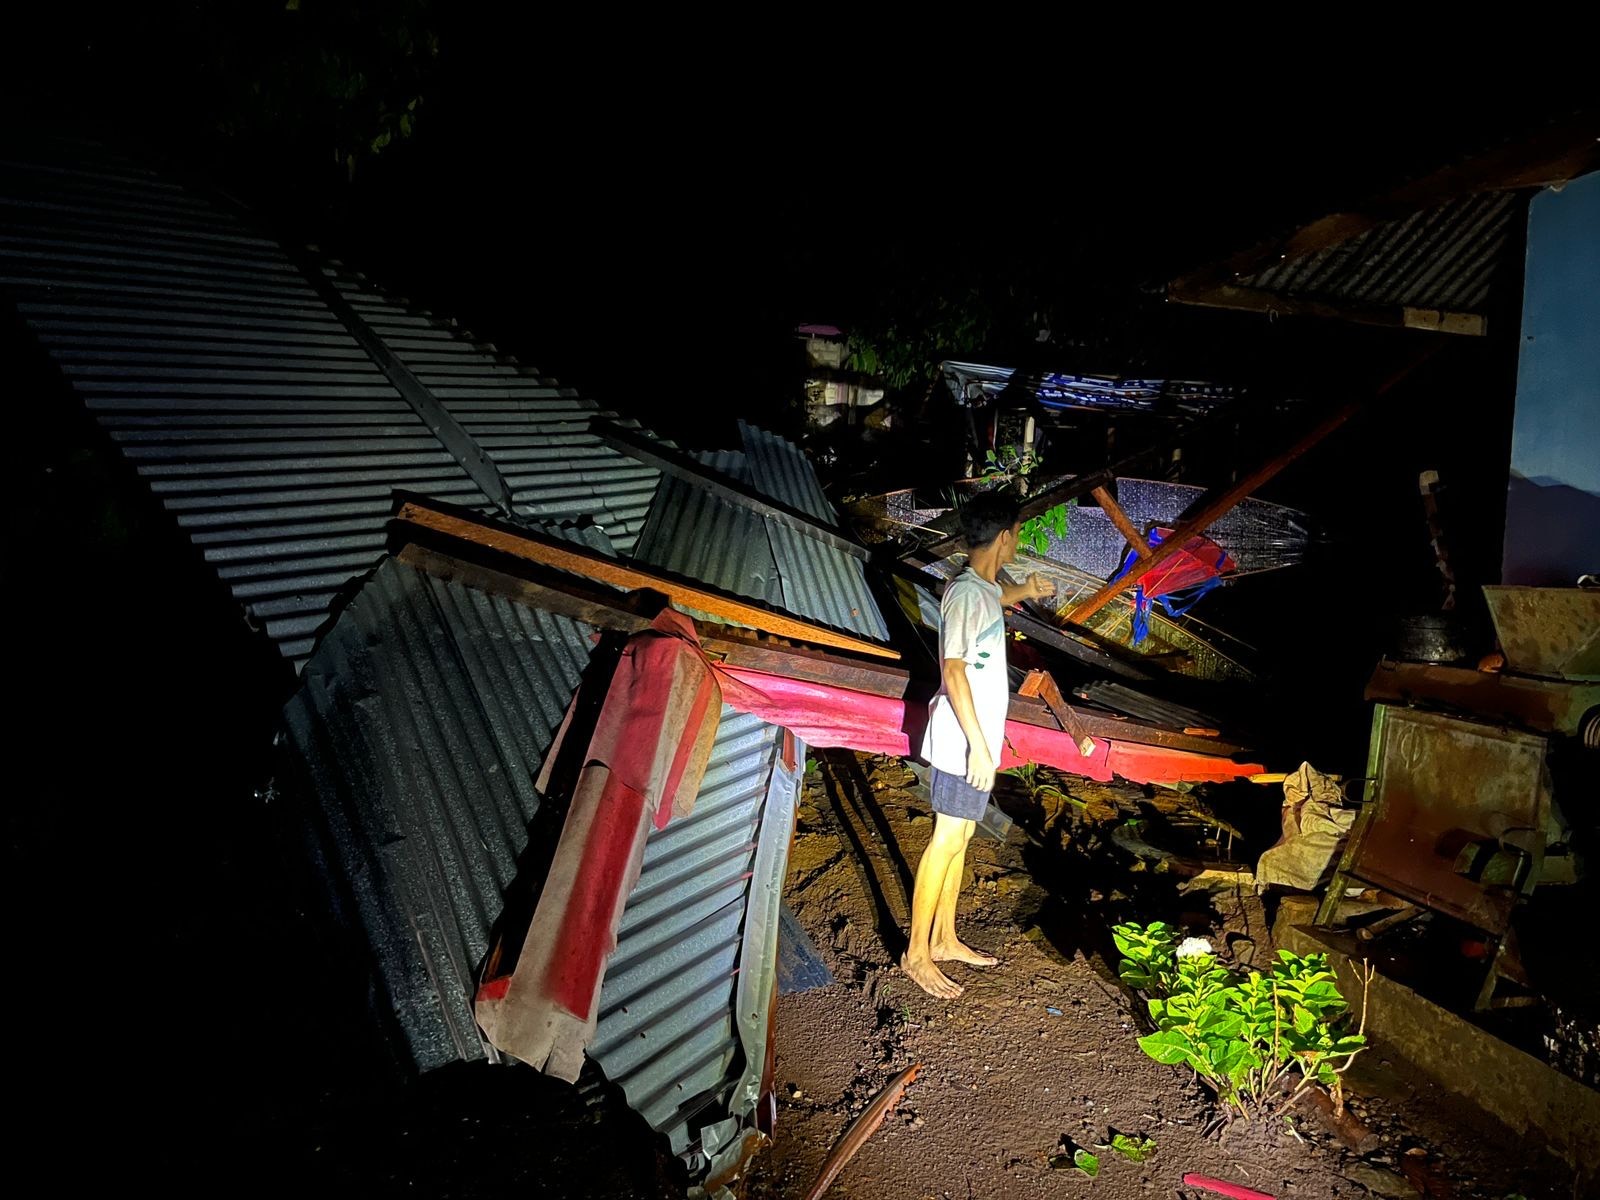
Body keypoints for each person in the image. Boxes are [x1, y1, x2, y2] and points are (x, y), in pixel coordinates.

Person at [902, 491, 1053, 999]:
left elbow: (995, 603)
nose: (1018, 541)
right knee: (945, 840)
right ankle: (916, 954)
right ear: (1006, 536)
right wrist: (980, 748)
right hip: (961, 742)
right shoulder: (967, 594)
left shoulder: (984, 588)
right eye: (1017, 533)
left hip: (975, 740)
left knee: (962, 839)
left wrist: (1025, 588)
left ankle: (943, 938)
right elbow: (953, 670)